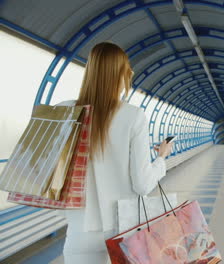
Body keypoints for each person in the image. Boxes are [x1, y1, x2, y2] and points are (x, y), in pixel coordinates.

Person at [58, 42, 173, 263]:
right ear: (122, 75)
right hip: (124, 230)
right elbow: (142, 184)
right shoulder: (133, 116)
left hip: (79, 230)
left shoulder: (66, 111)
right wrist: (161, 158)